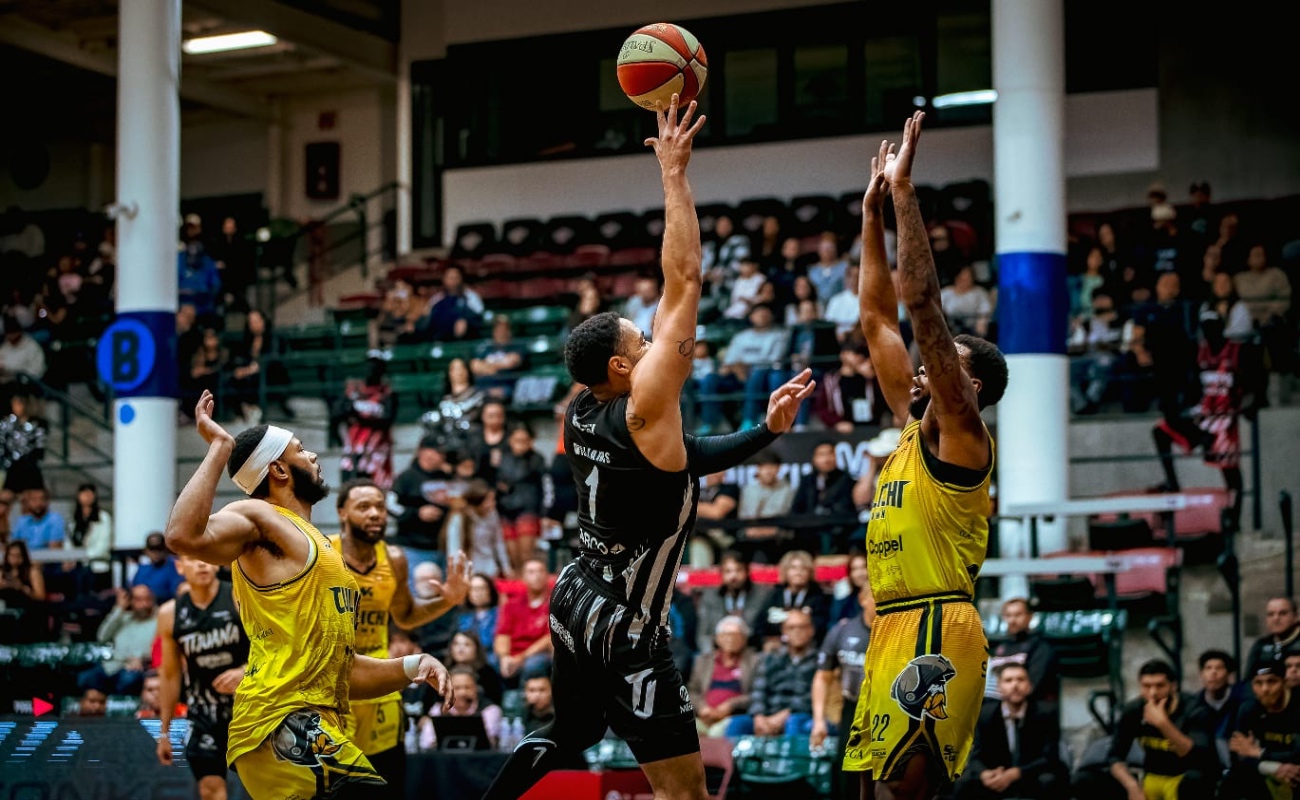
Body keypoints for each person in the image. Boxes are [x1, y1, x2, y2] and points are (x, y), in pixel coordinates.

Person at [482, 95, 815, 800]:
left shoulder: (580, 408)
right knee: (684, 793)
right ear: (624, 370)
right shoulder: (643, 412)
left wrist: (764, 433)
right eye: (640, 341)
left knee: (566, 734)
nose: (650, 337)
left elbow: (684, 456)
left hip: (574, 595)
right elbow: (685, 282)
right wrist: (673, 174)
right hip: (628, 623)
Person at [163, 391, 455, 800]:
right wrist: (220, 448)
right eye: (301, 449)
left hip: (315, 720)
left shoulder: (317, 544)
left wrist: (412, 666)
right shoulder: (256, 515)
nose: (314, 456)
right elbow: (180, 536)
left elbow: (341, 669)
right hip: (277, 721)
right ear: (279, 470)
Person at [845, 115, 1009, 800]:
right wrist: (870, 218)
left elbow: (917, 305)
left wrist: (906, 191)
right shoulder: (914, 428)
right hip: (891, 624)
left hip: (939, 623)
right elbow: (878, 321)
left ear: (966, 387)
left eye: (939, 366)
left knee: (904, 795)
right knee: (868, 793)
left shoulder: (961, 433)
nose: (918, 371)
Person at [331, 479, 472, 797]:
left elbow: (406, 615)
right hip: (335, 685)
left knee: (385, 786)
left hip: (381, 681)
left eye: (380, 506)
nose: (375, 514)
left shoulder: (394, 558)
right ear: (342, 513)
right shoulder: (323, 554)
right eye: (364, 507)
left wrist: (448, 599)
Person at [156, 556, 250, 800]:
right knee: (210, 789)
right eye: (192, 559)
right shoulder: (170, 613)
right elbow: (169, 674)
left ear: (218, 563)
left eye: (207, 559)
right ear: (179, 566)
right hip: (203, 714)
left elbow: (272, 647)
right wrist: (164, 732)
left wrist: (245, 671)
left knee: (264, 789)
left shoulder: (239, 597)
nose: (201, 564)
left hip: (248, 708)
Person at [1104, 660, 1215, 800]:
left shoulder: (1195, 710)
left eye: (1160, 686)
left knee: (1195, 780)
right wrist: (1132, 786)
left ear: (1173, 686)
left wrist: (1162, 723)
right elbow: (1115, 756)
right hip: (1153, 776)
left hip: (1187, 776)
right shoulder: (1133, 710)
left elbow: (1194, 756)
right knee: (1093, 778)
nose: (1153, 693)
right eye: (1146, 686)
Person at [955, 663, 1067, 800]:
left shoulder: (1046, 713)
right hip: (997, 773)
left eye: (1020, 679)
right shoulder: (985, 715)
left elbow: (1049, 757)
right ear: (999, 687)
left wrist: (1016, 773)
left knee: (1050, 780)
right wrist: (984, 774)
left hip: (1030, 774)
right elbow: (976, 756)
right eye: (1008, 680)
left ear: (1029, 686)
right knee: (964, 783)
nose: (1015, 685)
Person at [813, 581, 875, 800]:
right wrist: (819, 721)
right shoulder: (843, 630)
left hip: (887, 709)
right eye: (876, 597)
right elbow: (822, 676)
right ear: (863, 600)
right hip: (853, 707)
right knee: (847, 770)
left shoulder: (898, 634)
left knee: (883, 773)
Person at [1219, 660, 1299, 800]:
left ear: (1284, 682)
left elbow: (1298, 753)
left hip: (1296, 772)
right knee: (1231, 779)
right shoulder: (1248, 709)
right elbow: (1237, 757)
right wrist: (1273, 767)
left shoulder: (1297, 707)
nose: (1265, 689)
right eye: (1258, 683)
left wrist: (1258, 752)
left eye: (1272, 682)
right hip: (1268, 770)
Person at [688, 616, 760, 737]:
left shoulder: (754, 661)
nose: (731, 639)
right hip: (704, 715)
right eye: (726, 635)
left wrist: (731, 705)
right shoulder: (703, 661)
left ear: (744, 639)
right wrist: (702, 707)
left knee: (717, 733)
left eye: (736, 635)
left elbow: (756, 694)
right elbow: (692, 690)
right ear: (717, 639)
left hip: (734, 717)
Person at [695, 550, 772, 654]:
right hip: (716, 651)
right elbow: (703, 634)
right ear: (721, 574)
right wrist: (713, 656)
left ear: (747, 572)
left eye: (738, 570)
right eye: (728, 571)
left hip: (750, 651)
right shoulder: (710, 596)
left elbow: (762, 633)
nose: (734, 576)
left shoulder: (762, 595)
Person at [988, 598, 1060, 705]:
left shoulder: (1041, 647)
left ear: (1030, 616)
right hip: (992, 708)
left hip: (1029, 710)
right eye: (1008, 615)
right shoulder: (1000, 647)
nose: (1012, 620)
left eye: (1018, 615)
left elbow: (1032, 687)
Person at [1246, 597, 1299, 670]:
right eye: (1271, 614)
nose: (1276, 618)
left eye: (1283, 613)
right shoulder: (1261, 645)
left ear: (1295, 616)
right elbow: (1249, 678)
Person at [132, 531, 185, 602]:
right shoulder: (142, 570)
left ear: (165, 549)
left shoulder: (175, 568)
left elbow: (178, 595)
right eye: (152, 549)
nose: (156, 553)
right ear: (146, 551)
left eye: (159, 548)